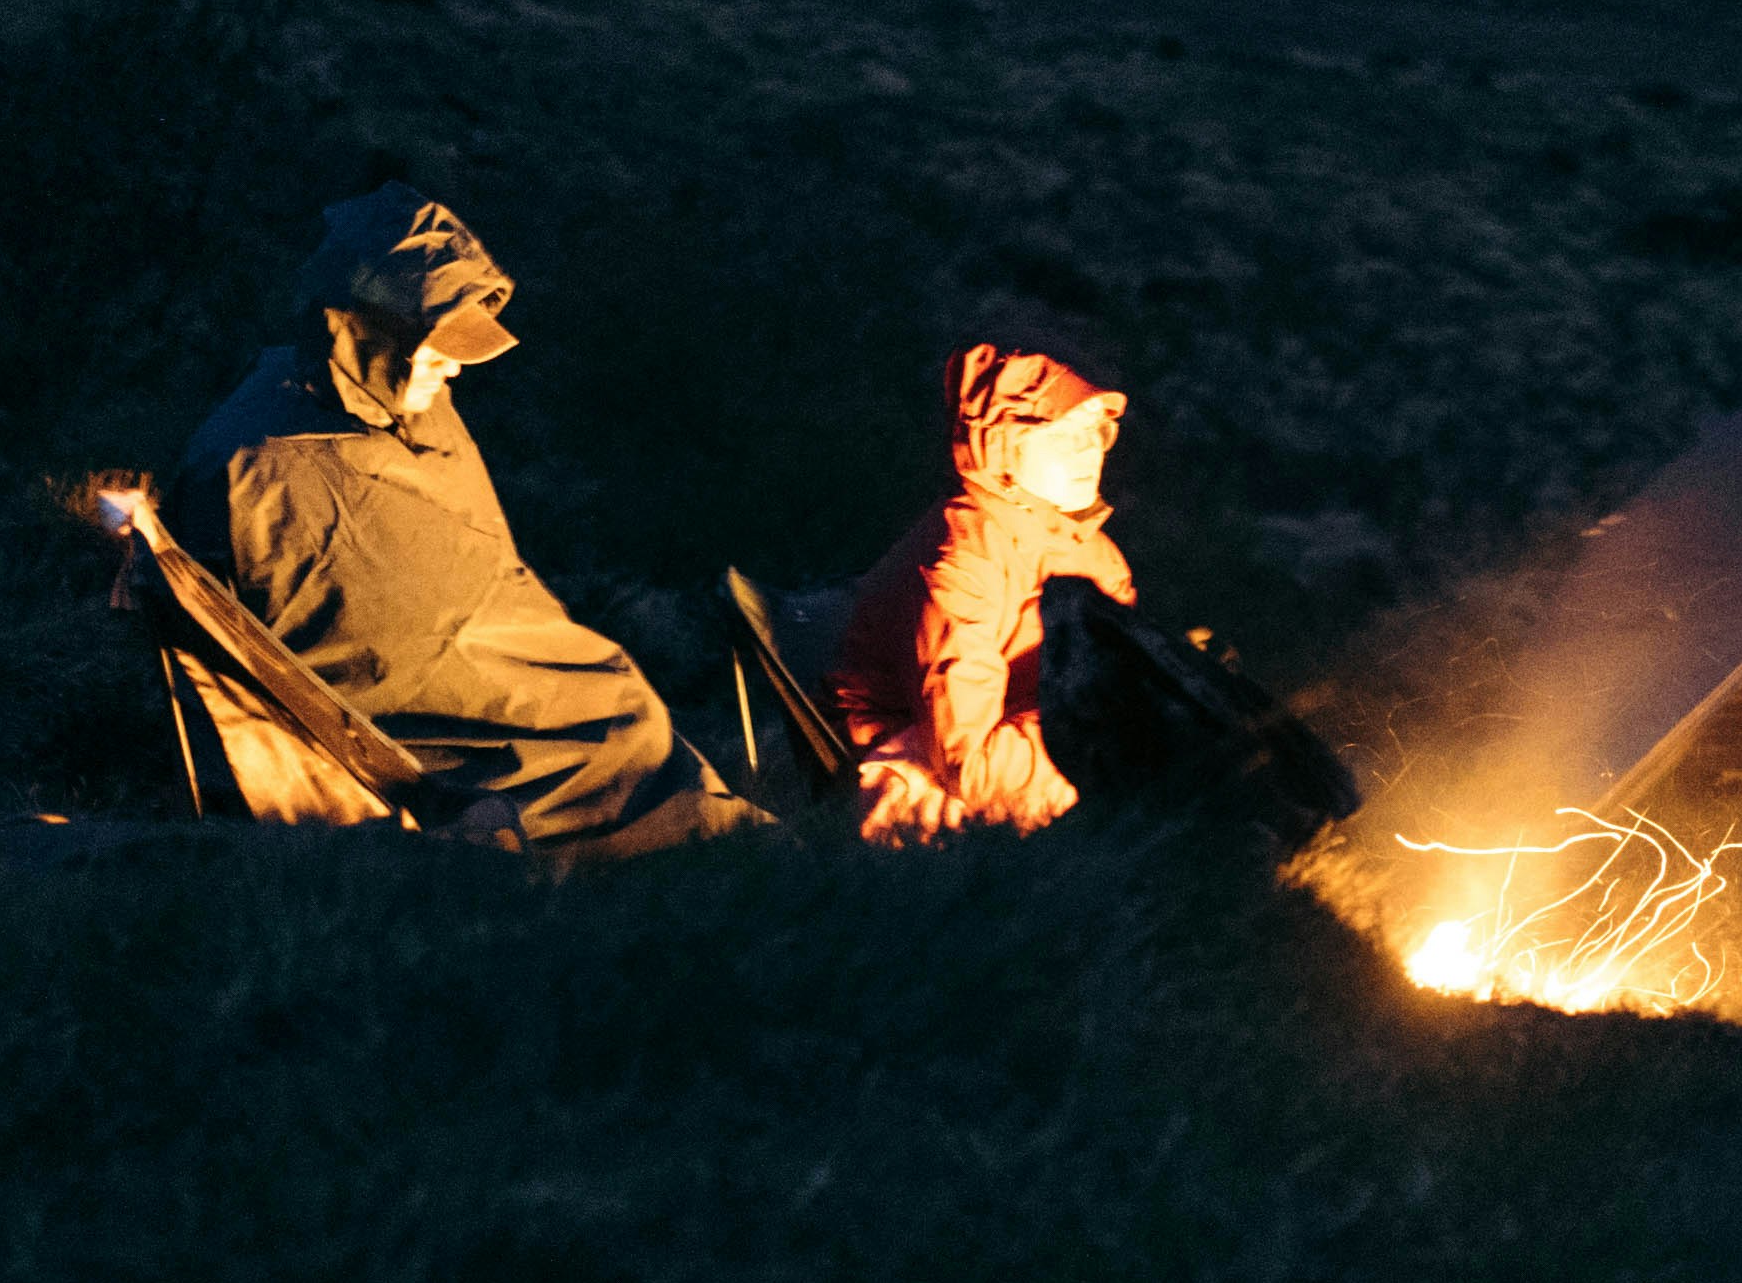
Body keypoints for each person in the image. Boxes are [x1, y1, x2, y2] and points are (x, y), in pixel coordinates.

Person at [166, 183, 763, 858]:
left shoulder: (416, 408)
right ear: (369, 335)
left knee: (619, 700)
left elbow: (488, 574)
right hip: (416, 727)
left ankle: (685, 829)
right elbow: (362, 646)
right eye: (436, 347)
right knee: (612, 733)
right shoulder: (265, 463)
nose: (452, 367)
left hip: (512, 665)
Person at [828, 344, 1135, 842]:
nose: (1088, 452)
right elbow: (970, 764)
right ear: (1002, 445)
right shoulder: (960, 562)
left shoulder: (1092, 552)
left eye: (1095, 431)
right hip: (919, 759)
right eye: (1063, 435)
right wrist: (1106, 736)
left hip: (1025, 740)